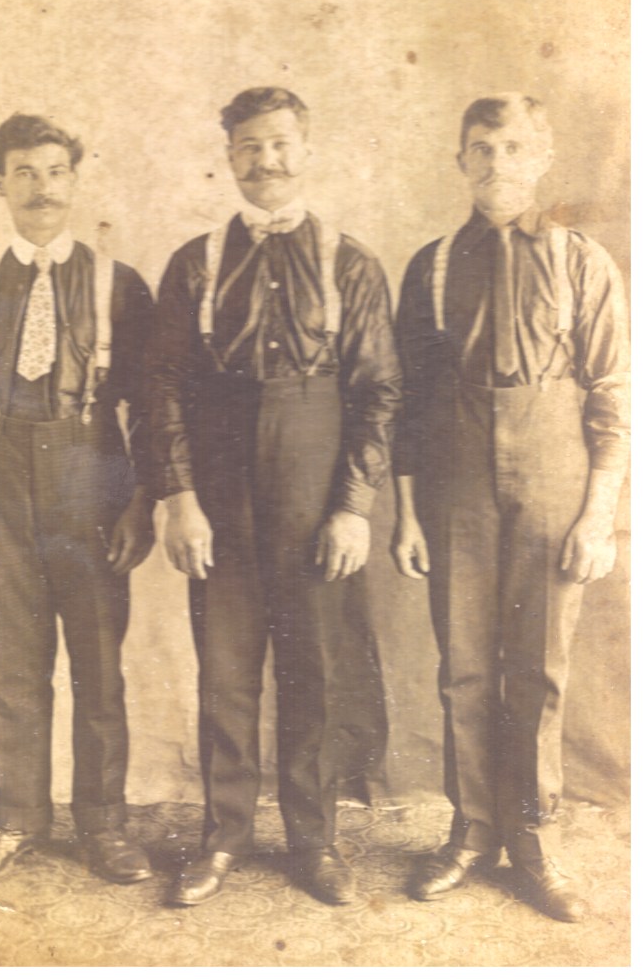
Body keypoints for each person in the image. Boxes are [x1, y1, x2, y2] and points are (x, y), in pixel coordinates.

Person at [148, 87, 402, 907]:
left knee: (313, 667)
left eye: (281, 143)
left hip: (314, 477)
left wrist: (353, 506)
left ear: (306, 149)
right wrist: (180, 498)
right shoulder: (194, 264)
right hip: (220, 482)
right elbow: (163, 388)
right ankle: (222, 837)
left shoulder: (349, 262)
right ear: (229, 159)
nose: (266, 161)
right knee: (225, 668)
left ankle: (313, 840)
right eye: (249, 147)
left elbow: (378, 391)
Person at [391, 93, 629, 922]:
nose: (497, 163)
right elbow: (408, 404)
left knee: (537, 670)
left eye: (513, 147)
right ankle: (470, 831)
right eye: (482, 149)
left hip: (551, 481)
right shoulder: (430, 267)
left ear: (541, 157)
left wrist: (597, 514)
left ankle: (532, 841)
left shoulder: (580, 262)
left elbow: (612, 395)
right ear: (460, 161)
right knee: (461, 668)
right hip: (454, 483)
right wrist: (406, 513)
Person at [0, 114, 156, 884]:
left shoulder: (117, 283)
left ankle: (103, 825)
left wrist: (141, 503)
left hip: (90, 474)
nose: (42, 188)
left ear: (74, 180)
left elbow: (148, 405)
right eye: (24, 172)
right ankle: (17, 819)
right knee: (14, 662)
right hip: (0, 474)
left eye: (56, 171)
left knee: (97, 660)